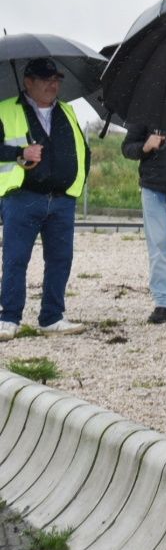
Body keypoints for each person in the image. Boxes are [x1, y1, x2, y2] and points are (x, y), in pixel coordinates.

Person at [0, 58, 91, 339]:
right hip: (22, 197)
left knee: (60, 259)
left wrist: (78, 180)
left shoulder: (67, 110)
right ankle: (8, 318)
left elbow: (82, 149)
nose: (53, 84)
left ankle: (52, 316)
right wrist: (19, 154)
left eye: (56, 78)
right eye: (45, 78)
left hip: (62, 199)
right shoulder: (5, 109)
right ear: (28, 82)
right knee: (15, 259)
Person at [122, 119, 166, 323]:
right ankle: (162, 302)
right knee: (156, 247)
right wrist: (145, 147)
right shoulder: (145, 109)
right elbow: (127, 147)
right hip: (153, 188)